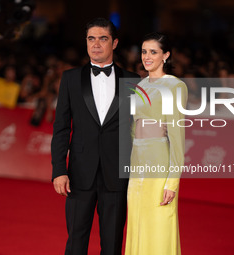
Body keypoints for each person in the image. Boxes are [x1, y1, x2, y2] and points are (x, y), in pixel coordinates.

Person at [51, 18, 139, 255]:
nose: (96, 44)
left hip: (117, 175)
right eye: (91, 38)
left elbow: (141, 132)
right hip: (79, 174)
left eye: (103, 38)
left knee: (112, 244)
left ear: (115, 43)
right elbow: (61, 127)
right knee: (76, 241)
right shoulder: (70, 78)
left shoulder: (134, 81)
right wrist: (59, 169)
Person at [125, 32, 188, 255]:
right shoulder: (139, 85)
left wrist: (172, 182)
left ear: (166, 55)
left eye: (153, 52)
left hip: (159, 162)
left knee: (159, 225)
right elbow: (133, 129)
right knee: (137, 222)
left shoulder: (174, 86)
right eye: (144, 52)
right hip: (137, 164)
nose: (147, 57)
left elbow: (177, 137)